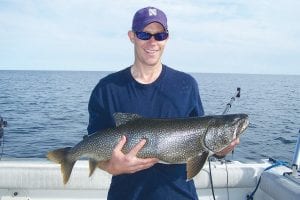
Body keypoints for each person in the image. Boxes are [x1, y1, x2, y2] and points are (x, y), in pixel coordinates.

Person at [87, 6, 239, 200]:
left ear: (167, 38)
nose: (152, 42)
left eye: (160, 35)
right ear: (132, 36)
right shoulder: (107, 88)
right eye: (144, 34)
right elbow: (94, 144)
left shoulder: (187, 84)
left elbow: (202, 143)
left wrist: (220, 151)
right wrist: (112, 167)